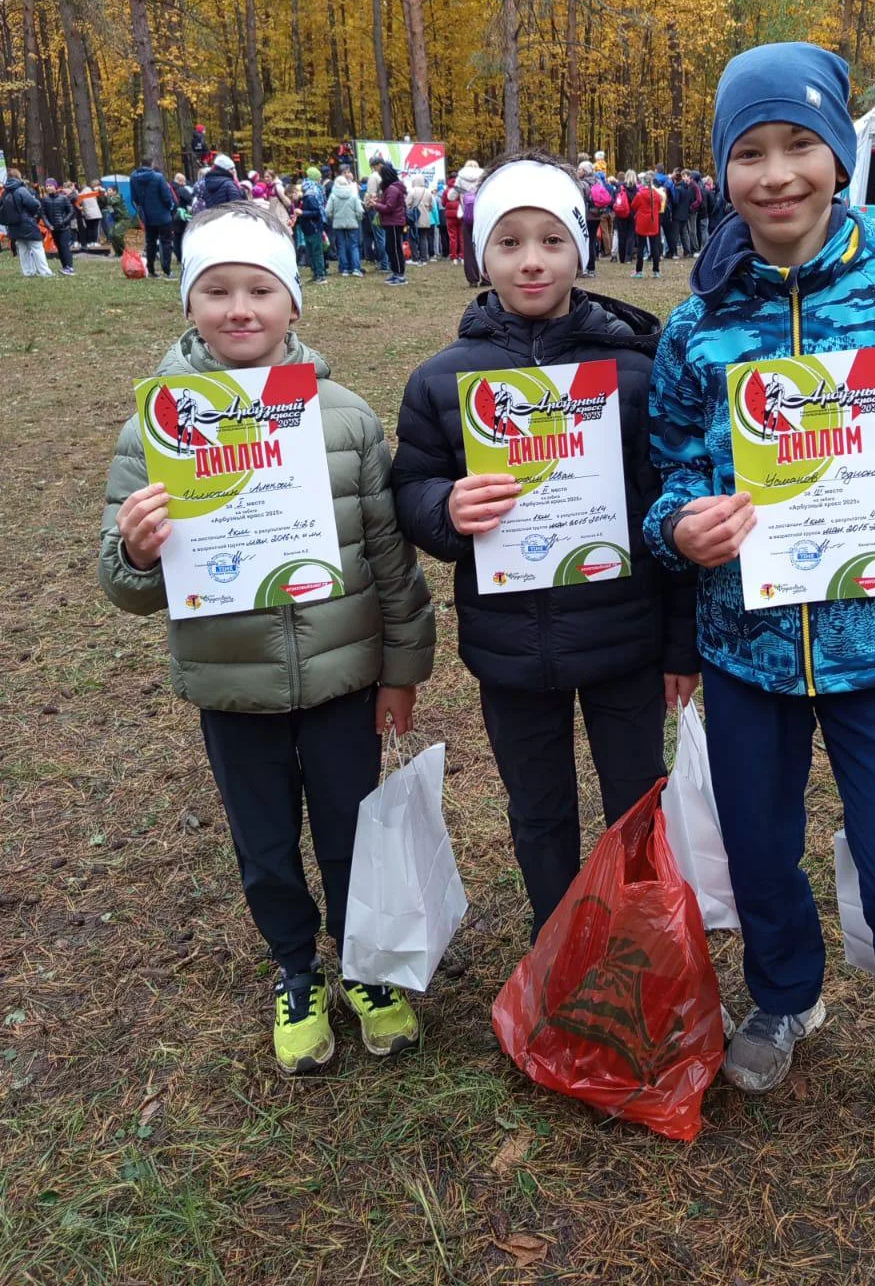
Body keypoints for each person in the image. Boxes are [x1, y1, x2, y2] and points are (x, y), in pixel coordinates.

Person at [643, 41, 875, 1242]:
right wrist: (680, 527)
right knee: (758, 860)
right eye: (748, 153)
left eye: (798, 145)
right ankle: (788, 996)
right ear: (723, 169)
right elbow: (668, 476)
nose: (775, 175)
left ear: (841, 154)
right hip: (747, 652)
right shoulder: (700, 324)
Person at [98, 201, 436, 1073]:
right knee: (264, 845)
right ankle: (295, 967)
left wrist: (401, 669)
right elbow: (124, 585)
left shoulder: (347, 420)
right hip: (232, 685)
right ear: (188, 306)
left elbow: (389, 558)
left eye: (260, 288)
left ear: (294, 305)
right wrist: (137, 550)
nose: (239, 308)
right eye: (216, 290)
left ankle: (367, 968)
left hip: (345, 678)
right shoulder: (154, 432)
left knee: (349, 833)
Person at [391, 153, 698, 938]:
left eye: (552, 241)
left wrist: (679, 644)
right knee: (537, 808)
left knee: (637, 796)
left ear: (582, 250)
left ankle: (638, 936)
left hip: (623, 636)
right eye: (509, 242)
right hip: (510, 648)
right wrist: (446, 508)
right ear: (478, 254)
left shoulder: (634, 368)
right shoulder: (441, 381)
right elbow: (412, 488)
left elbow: (668, 502)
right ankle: (559, 940)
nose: (531, 260)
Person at [129, 157, 179, 279]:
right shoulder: (158, 177)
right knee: (165, 242)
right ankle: (167, 270)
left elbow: (134, 197)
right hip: (162, 215)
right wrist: (170, 207)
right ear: (152, 164)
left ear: (141, 164)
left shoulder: (133, 178)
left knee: (150, 242)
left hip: (147, 215)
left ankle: (151, 269)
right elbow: (166, 196)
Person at [2, 167, 52, 276]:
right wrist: (33, 215)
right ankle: (45, 272)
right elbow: (34, 204)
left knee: (23, 249)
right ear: (18, 176)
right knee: (37, 247)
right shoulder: (21, 190)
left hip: (13, 225)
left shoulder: (5, 192)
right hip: (26, 222)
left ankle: (28, 272)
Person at [327, 168, 365, 276]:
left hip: (338, 224)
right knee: (354, 245)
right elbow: (359, 210)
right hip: (352, 223)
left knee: (341, 246)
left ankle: (344, 269)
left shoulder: (333, 196)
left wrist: (333, 217)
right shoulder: (353, 194)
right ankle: (356, 269)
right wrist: (358, 218)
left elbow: (328, 211)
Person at [376, 162, 408, 285]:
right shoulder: (393, 188)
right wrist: (378, 202)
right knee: (391, 248)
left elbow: (389, 207)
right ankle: (396, 272)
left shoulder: (392, 189)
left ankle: (400, 274)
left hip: (394, 222)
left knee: (395, 249)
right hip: (392, 221)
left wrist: (376, 205)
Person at [297, 166, 329, 283]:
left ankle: (320, 275)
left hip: (314, 227)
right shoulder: (307, 196)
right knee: (311, 252)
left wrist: (303, 213)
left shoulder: (310, 197)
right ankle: (316, 273)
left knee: (317, 251)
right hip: (309, 228)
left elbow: (317, 212)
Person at [457, 159, 484, 287]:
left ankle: (472, 279)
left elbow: (451, 196)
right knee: (483, 246)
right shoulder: (484, 176)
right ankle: (487, 277)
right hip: (482, 215)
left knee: (468, 248)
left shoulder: (460, 177)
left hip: (466, 216)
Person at [631, 171, 663, 279]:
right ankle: (656, 271)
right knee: (655, 246)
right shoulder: (657, 195)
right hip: (653, 222)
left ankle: (639, 271)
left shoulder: (640, 194)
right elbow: (659, 208)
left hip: (642, 223)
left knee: (641, 246)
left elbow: (633, 205)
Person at [41, 179, 76, 275]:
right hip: (53, 228)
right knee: (59, 248)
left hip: (64, 228)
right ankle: (65, 267)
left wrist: (64, 221)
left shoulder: (63, 198)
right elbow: (43, 214)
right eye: (47, 186)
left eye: (50, 186)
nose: (48, 188)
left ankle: (70, 267)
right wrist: (48, 225)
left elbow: (71, 211)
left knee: (65, 246)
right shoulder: (45, 199)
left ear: (55, 187)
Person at [613, 170, 637, 265]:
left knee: (621, 236)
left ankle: (622, 257)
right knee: (631, 236)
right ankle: (628, 258)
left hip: (621, 214)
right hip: (632, 214)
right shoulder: (636, 189)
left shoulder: (620, 188)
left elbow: (614, 200)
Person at [442, 181, 463, 264]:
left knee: (452, 237)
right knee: (462, 237)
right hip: (460, 214)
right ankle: (462, 257)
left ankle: (454, 257)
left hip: (450, 217)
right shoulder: (460, 189)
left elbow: (443, 203)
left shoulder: (446, 191)